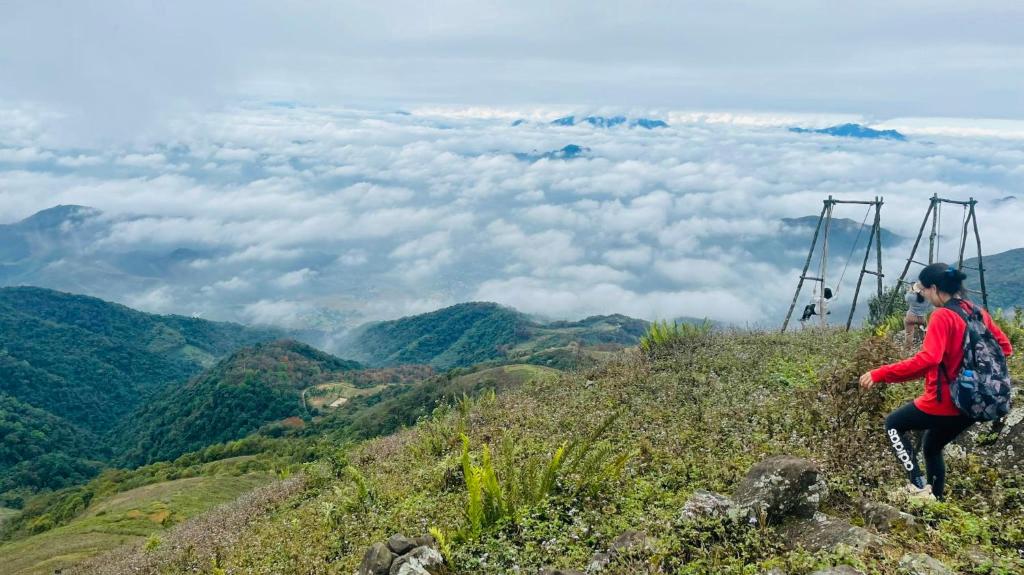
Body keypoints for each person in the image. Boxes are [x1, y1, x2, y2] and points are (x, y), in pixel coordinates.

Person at [859, 263, 1013, 500]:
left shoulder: (942, 315)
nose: (924, 296)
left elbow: (928, 359)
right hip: (974, 402)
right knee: (932, 446)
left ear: (934, 288)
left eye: (923, 290)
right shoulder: (977, 311)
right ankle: (936, 500)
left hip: (945, 400)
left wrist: (881, 374)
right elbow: (1005, 348)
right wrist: (970, 367)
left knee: (893, 424)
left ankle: (918, 485)